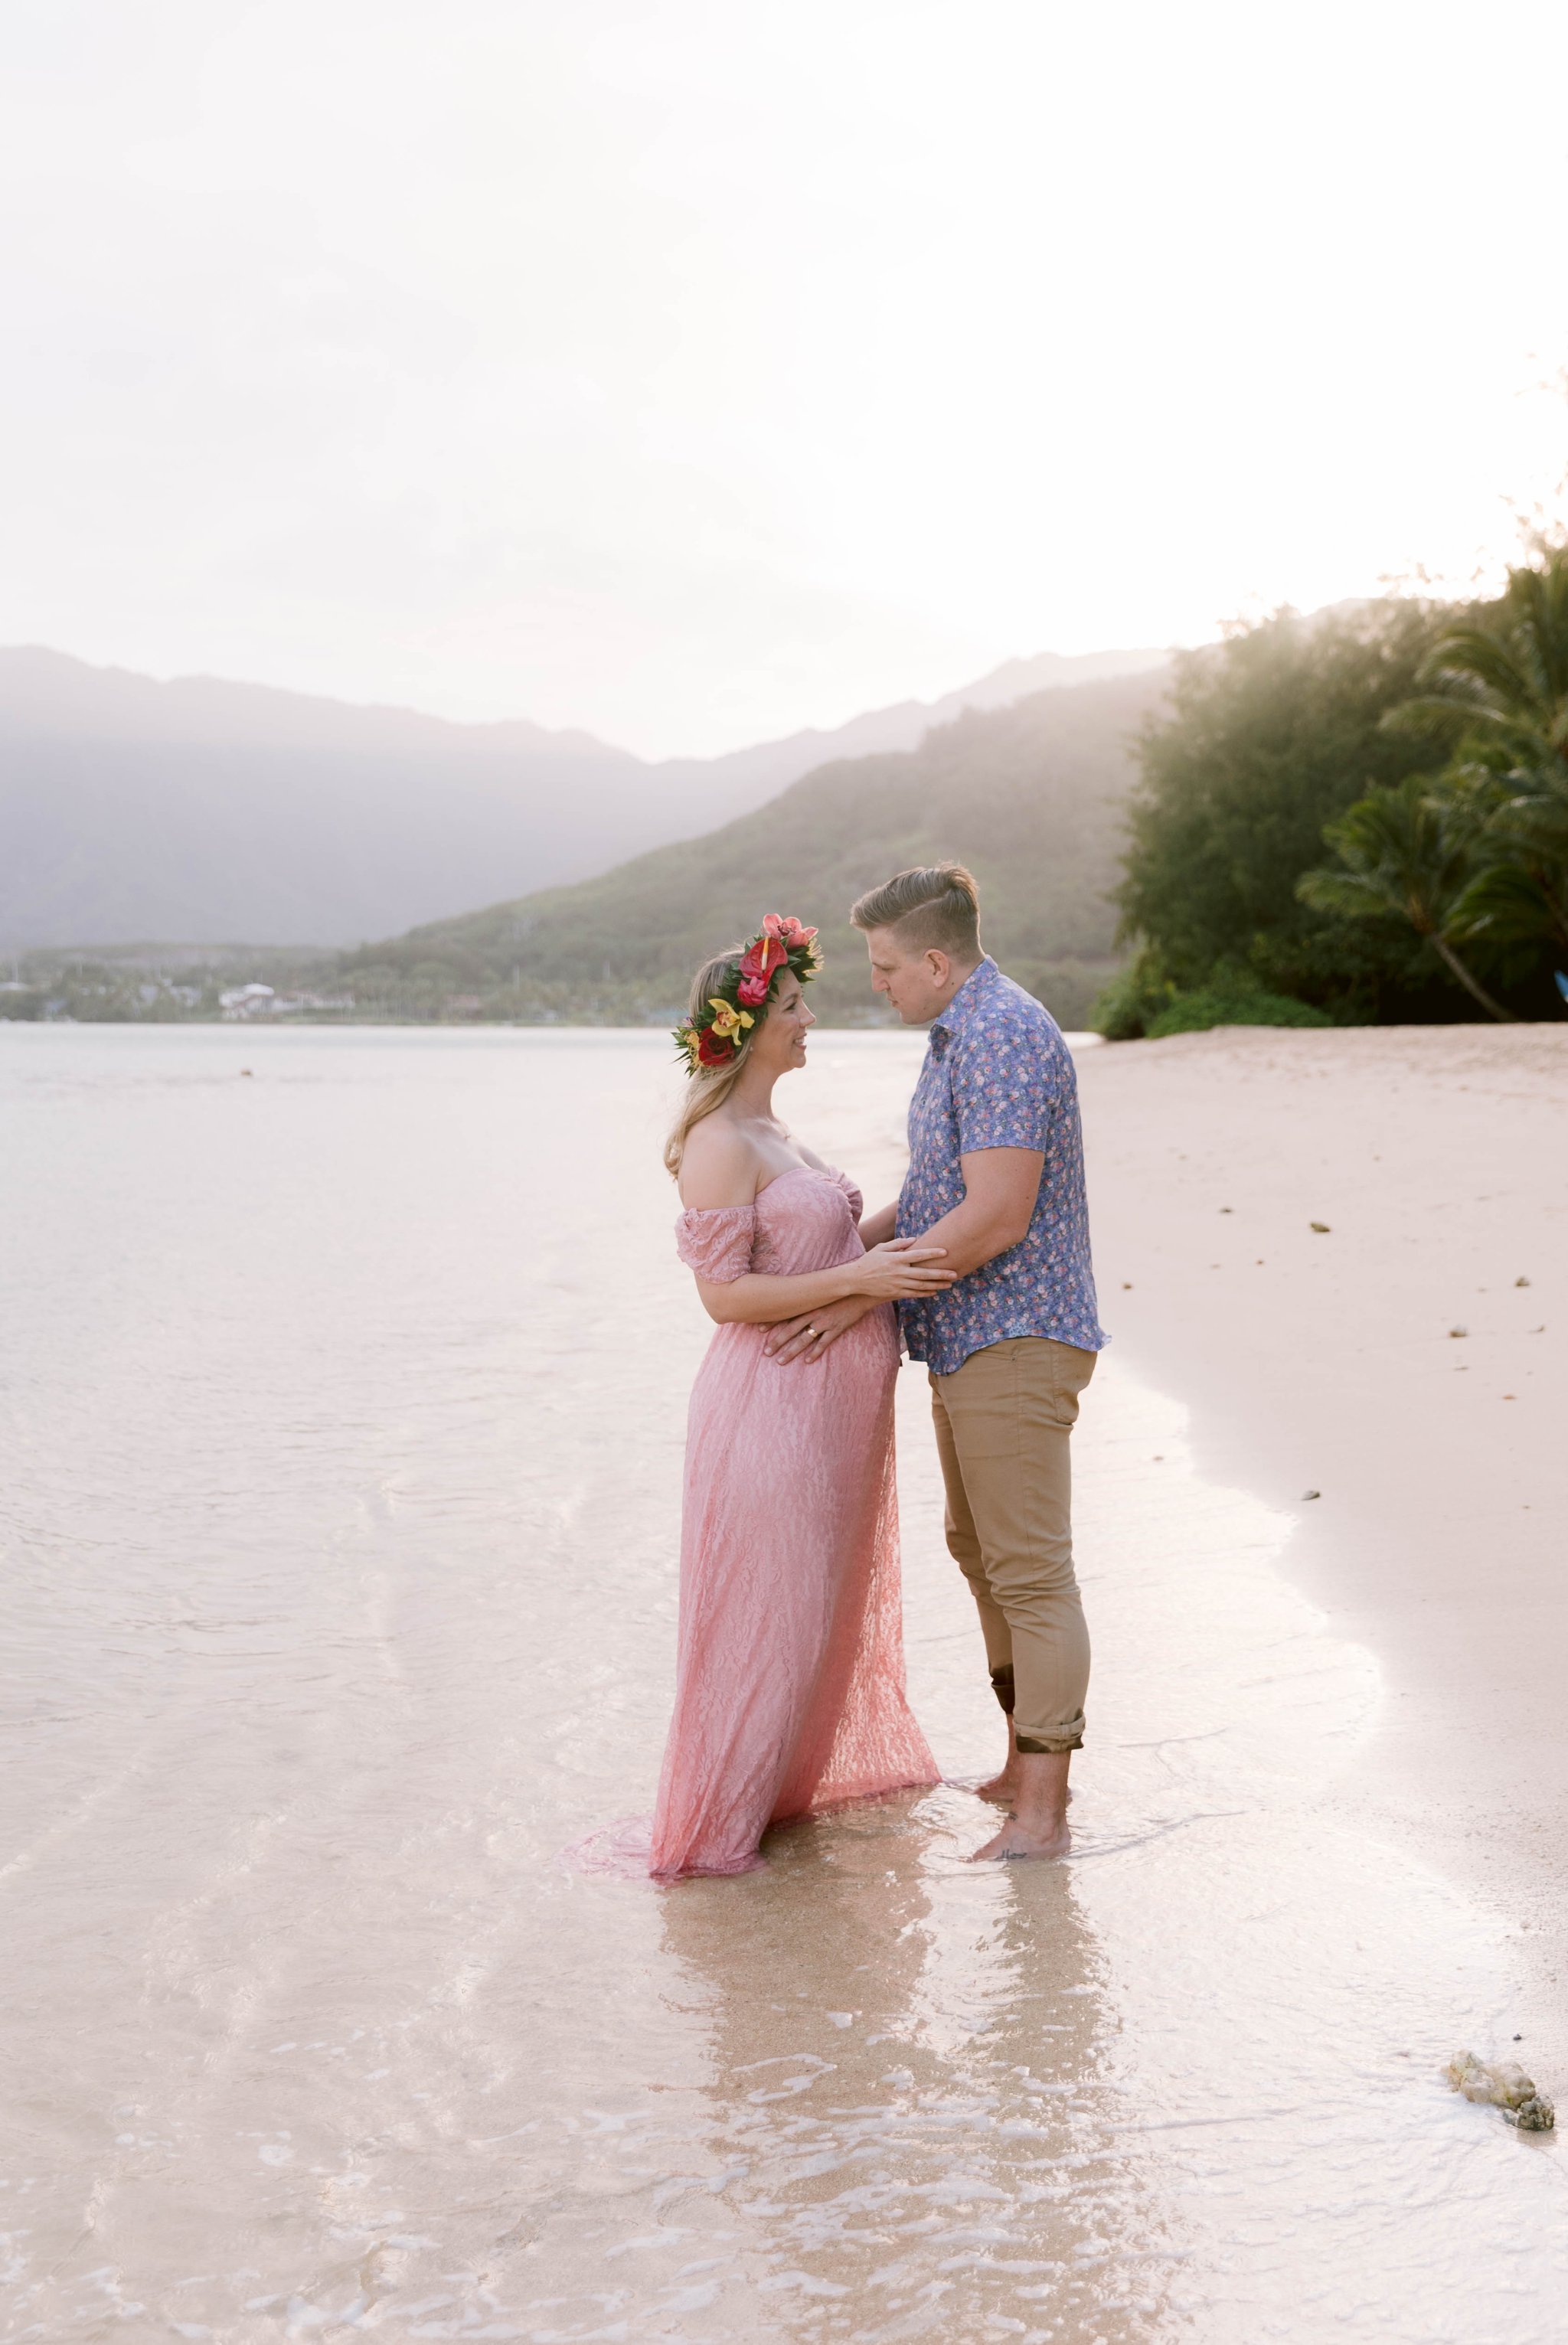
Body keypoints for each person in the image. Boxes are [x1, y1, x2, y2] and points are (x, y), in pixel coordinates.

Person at [766, 866, 1106, 1861]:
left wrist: (863, 1295)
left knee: (1032, 1574)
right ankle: (1019, 1764)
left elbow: (994, 1214)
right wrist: (823, 1271)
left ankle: (1043, 1811)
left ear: (934, 959)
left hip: (1016, 1334)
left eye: (881, 966)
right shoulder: (959, 1033)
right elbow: (929, 1203)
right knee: (980, 1551)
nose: (873, 983)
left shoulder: (999, 1033)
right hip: (967, 1334)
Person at [649, 914, 949, 1877]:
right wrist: (860, 1285)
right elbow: (721, 1297)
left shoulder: (777, 1131)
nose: (809, 1017)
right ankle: (716, 1846)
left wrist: (933, 1198)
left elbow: (831, 1251)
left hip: (830, 1418)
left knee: (815, 1615)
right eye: (791, 1006)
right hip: (768, 1411)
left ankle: (780, 1803)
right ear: (742, 1030)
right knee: (764, 1618)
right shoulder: (719, 1141)